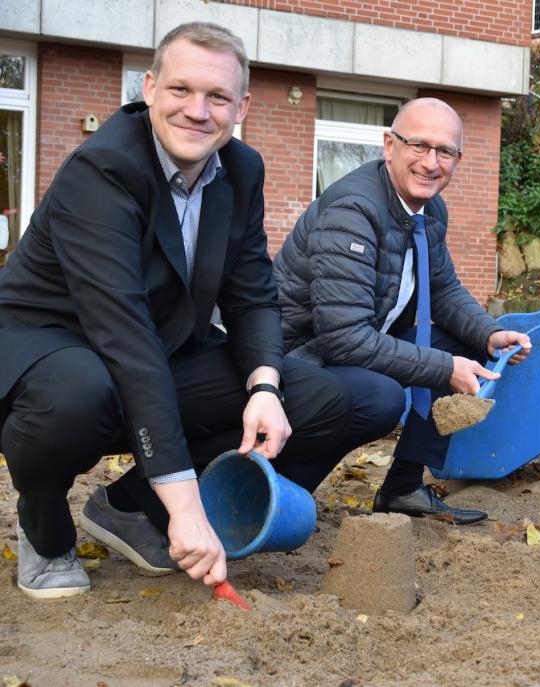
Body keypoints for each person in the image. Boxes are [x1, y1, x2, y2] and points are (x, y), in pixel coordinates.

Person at [0, 22, 352, 599]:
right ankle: (46, 530)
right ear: (149, 88)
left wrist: (264, 385)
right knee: (76, 392)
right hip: (48, 351)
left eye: (217, 97)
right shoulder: (103, 168)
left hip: (152, 347)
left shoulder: (241, 170)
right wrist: (187, 505)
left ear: (241, 106)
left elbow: (252, 294)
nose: (198, 111)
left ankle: (127, 507)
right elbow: (124, 335)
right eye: (181, 90)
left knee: (313, 396)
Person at [275, 97, 532, 525]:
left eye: (445, 151)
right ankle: (280, 483)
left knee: (463, 343)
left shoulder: (428, 211)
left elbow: (444, 288)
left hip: (349, 344)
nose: (431, 162)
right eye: (419, 145)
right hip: (298, 357)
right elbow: (342, 335)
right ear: (389, 145)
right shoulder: (353, 211)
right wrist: (443, 368)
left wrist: (488, 334)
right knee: (382, 397)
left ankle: (403, 487)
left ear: (458, 159)